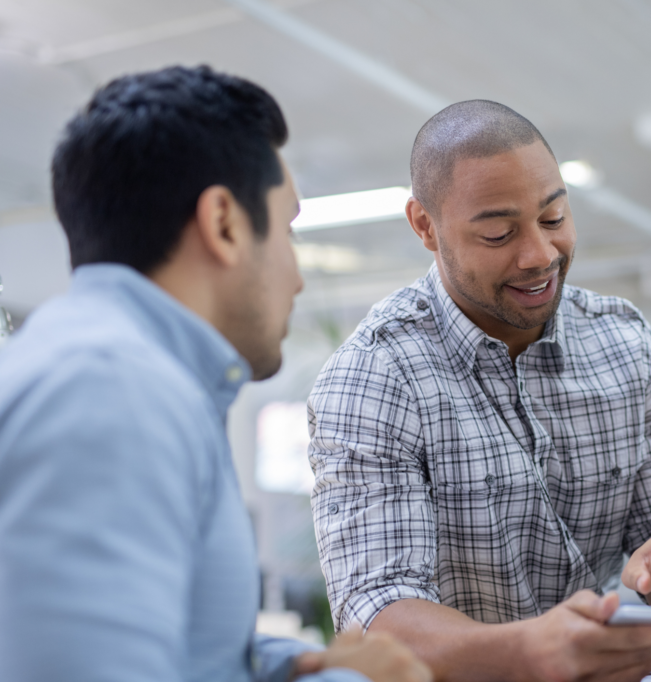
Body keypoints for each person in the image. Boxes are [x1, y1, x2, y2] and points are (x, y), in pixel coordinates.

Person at [0, 65, 431, 682]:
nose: (298, 275)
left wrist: (282, 664)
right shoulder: (110, 393)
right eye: (286, 230)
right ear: (225, 224)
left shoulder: (113, 372)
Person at [307, 99, 651, 682]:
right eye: (498, 233)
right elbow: (378, 612)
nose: (540, 256)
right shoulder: (376, 376)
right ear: (425, 225)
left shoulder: (624, 345)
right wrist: (528, 652)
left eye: (553, 219)